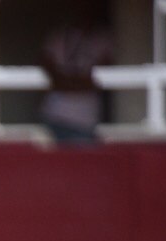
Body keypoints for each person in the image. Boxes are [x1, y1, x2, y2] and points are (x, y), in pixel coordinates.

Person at [40, 0, 113, 143]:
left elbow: (100, 79)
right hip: (55, 115)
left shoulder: (103, 39)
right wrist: (76, 82)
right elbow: (48, 68)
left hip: (85, 120)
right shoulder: (59, 36)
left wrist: (65, 81)